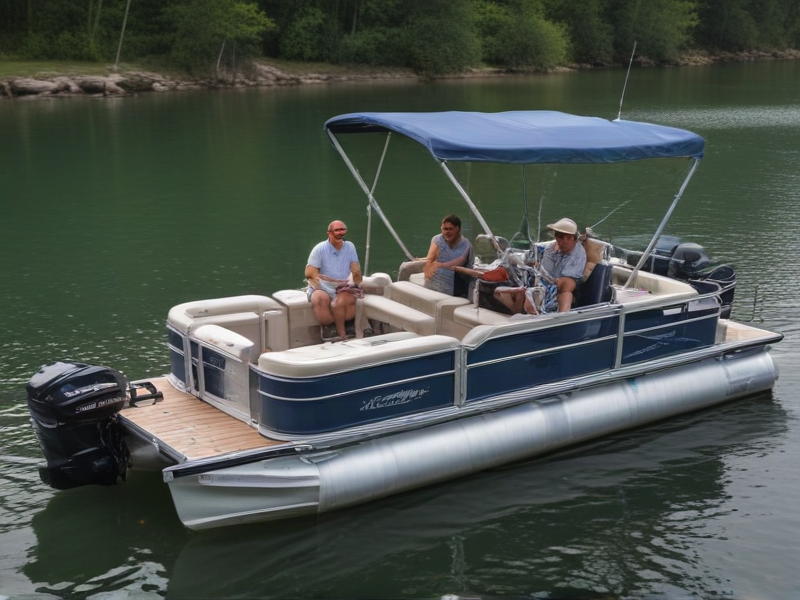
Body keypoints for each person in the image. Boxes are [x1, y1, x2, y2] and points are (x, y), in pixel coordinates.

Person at [493, 217, 586, 314]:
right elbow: (529, 259)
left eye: (568, 237)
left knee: (566, 284)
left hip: (559, 287)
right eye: (560, 236)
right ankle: (519, 311)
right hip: (538, 280)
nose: (564, 241)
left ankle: (562, 317)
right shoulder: (547, 248)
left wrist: (544, 279)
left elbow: (565, 281)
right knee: (499, 291)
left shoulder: (578, 253)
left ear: (574, 239)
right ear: (555, 236)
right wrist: (506, 255)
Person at [305, 220, 363, 341]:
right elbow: (310, 273)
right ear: (329, 233)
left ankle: (347, 324)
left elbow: (355, 269)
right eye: (336, 230)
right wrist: (319, 286)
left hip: (343, 284)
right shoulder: (319, 249)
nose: (340, 233)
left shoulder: (350, 247)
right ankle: (329, 327)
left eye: (342, 230)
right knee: (319, 298)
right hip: (323, 284)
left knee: (341, 301)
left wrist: (356, 283)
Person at [423, 214, 474, 297]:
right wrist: (429, 266)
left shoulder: (466, 245)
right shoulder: (437, 240)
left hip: (458, 282)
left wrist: (438, 265)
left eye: (450, 229)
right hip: (438, 281)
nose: (447, 232)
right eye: (445, 229)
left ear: (458, 229)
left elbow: (457, 263)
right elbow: (429, 259)